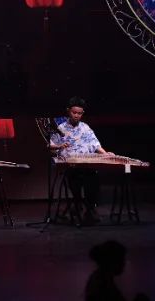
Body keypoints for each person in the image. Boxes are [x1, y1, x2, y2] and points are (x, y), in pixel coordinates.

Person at [49, 96, 111, 224]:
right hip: (71, 166)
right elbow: (51, 147)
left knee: (93, 178)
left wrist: (106, 154)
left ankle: (89, 209)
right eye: (74, 112)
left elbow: (95, 145)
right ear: (68, 111)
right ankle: (77, 205)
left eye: (80, 113)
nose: (77, 115)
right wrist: (59, 146)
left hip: (86, 164)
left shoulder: (85, 127)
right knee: (75, 179)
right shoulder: (60, 128)